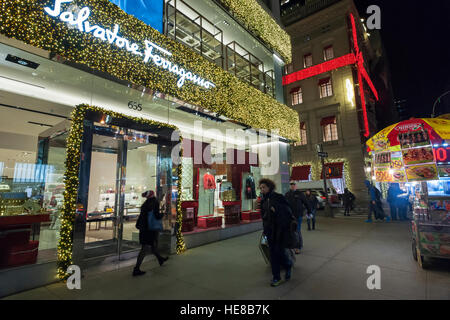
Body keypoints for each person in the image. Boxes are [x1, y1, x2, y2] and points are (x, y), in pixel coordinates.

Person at [260, 178, 293, 287]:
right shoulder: (263, 200)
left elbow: (288, 212)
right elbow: (264, 217)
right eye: (260, 188)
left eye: (263, 187)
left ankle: (288, 265)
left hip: (280, 231)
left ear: (269, 187)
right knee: (273, 255)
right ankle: (276, 277)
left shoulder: (278, 197)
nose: (262, 190)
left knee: (280, 253)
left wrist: (277, 210)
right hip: (270, 232)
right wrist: (264, 230)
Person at [133, 190, 168, 276]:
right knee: (145, 248)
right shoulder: (154, 202)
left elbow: (142, 216)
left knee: (151, 245)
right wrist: (163, 214)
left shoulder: (145, 203)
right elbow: (156, 215)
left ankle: (160, 259)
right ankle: (136, 269)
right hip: (150, 228)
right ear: (153, 195)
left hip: (143, 228)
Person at [285, 182, 311, 254]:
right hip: (290, 216)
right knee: (291, 231)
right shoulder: (287, 194)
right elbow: (284, 204)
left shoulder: (300, 194)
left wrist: (309, 211)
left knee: (297, 231)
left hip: (298, 215)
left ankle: (298, 247)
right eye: (291, 185)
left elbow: (306, 202)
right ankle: (294, 244)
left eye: (294, 185)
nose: (292, 186)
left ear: (296, 186)